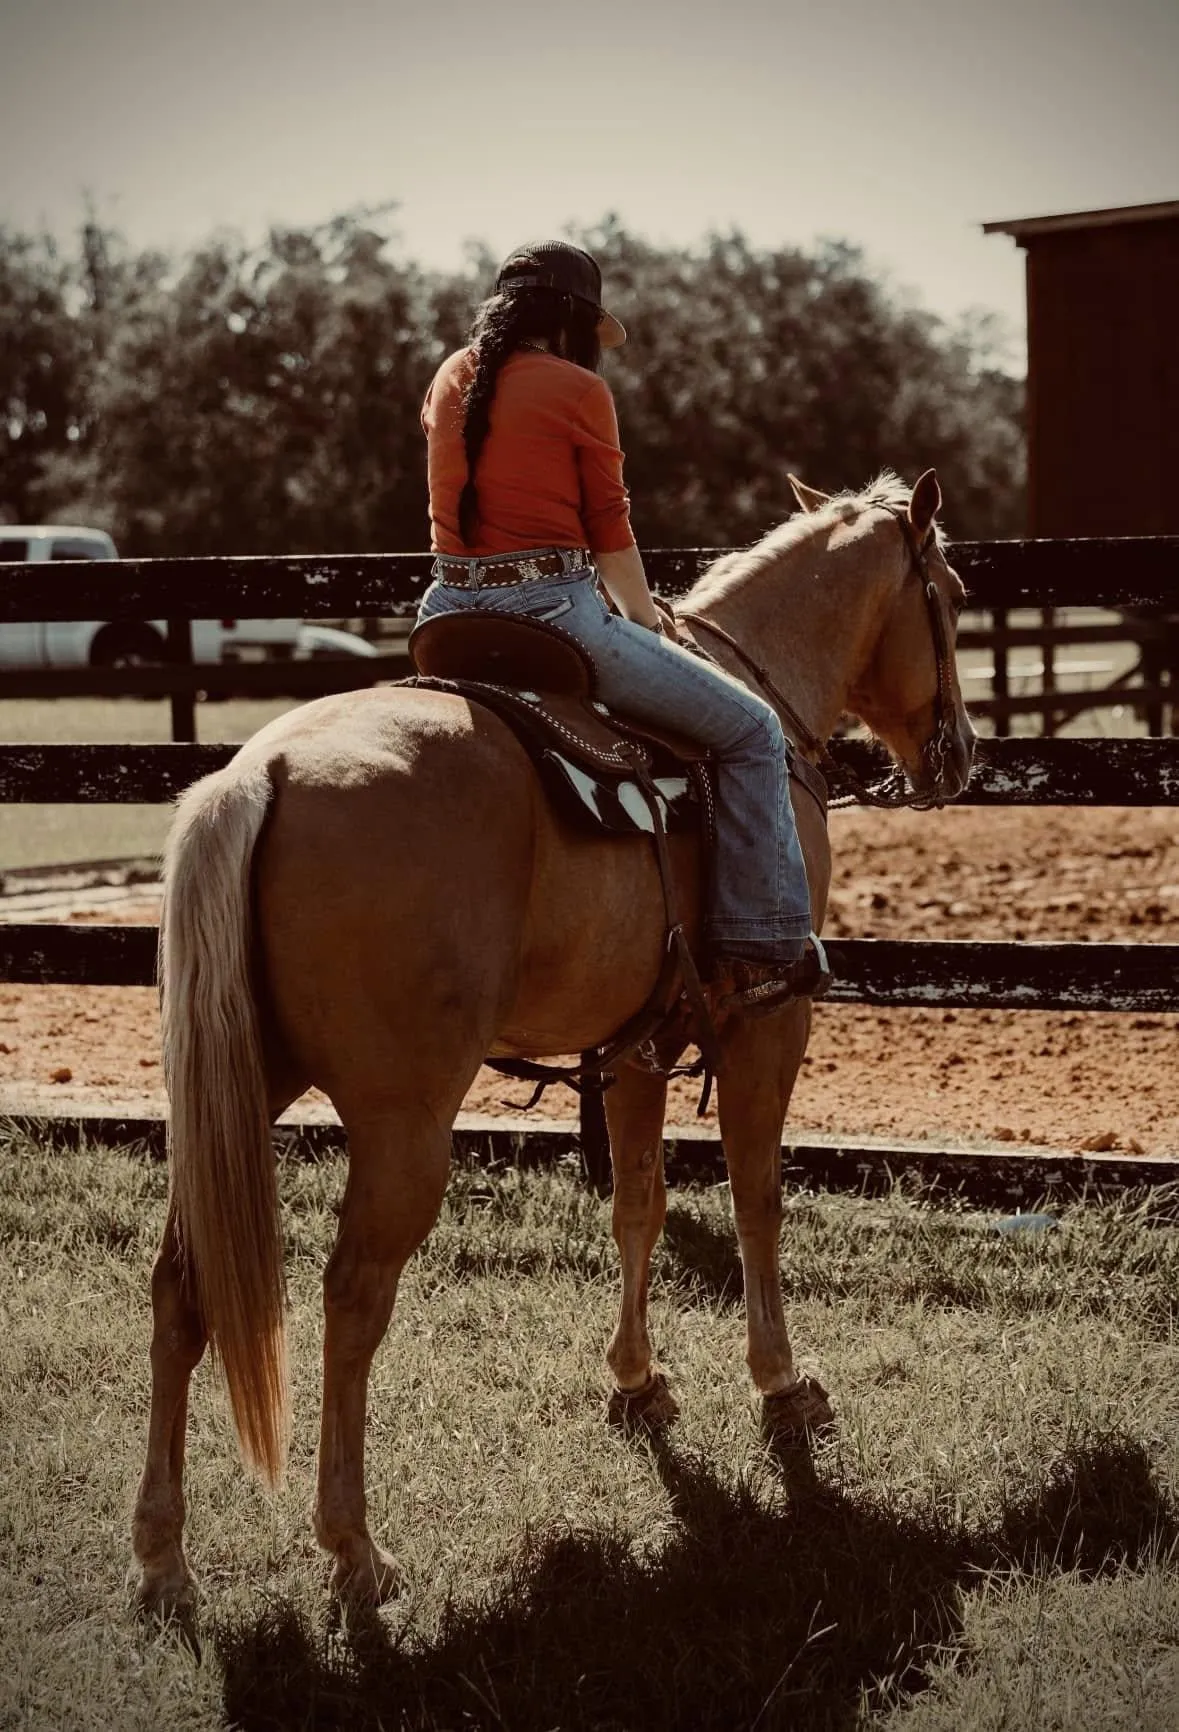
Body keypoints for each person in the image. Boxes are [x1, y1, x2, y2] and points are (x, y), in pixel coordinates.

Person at [417, 239, 823, 1014]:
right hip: (552, 614)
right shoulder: (575, 388)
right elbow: (609, 528)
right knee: (751, 733)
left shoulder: (448, 375)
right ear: (573, 321)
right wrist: (646, 623)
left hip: (445, 611)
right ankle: (761, 947)